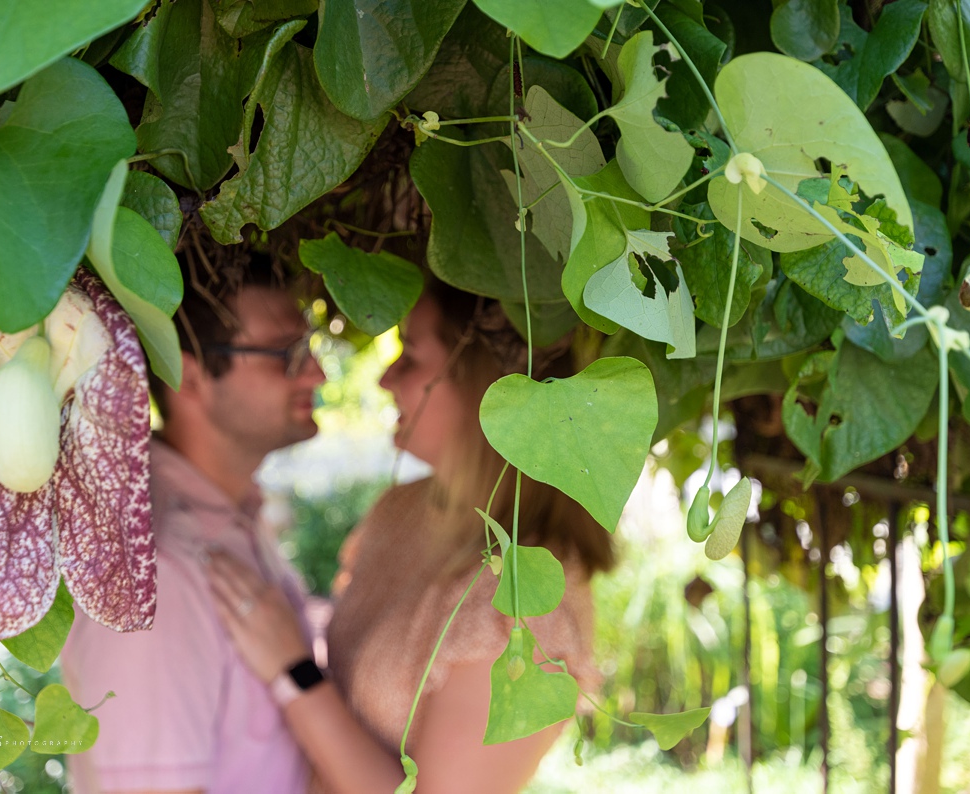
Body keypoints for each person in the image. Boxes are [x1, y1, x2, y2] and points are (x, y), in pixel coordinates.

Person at [207, 281, 616, 794]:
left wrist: (294, 673)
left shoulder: (529, 607)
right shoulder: (403, 510)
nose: (384, 377)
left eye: (411, 356)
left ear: (488, 387)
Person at [60, 254, 326, 794]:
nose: (317, 372)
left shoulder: (233, 514)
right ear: (190, 376)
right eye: (285, 353)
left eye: (310, 348)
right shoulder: (155, 575)